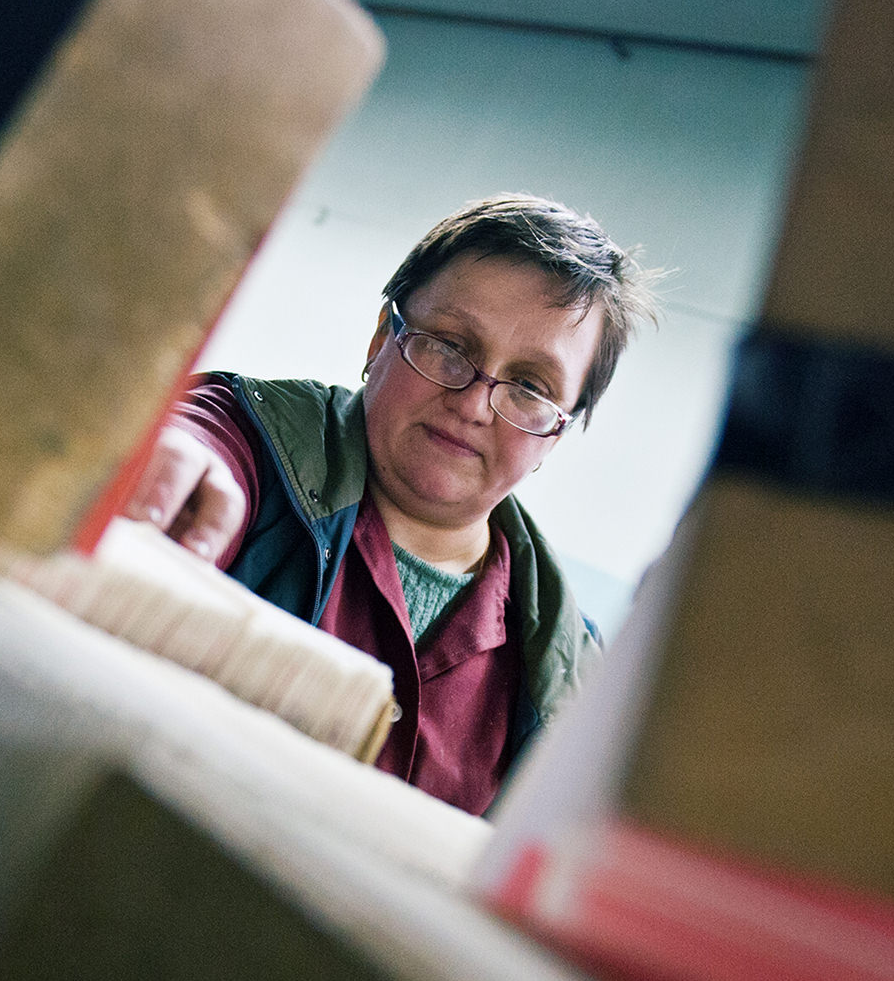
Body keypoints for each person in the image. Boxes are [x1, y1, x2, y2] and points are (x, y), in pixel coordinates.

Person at [122, 193, 658, 815]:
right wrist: (163, 453)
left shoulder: (566, 673)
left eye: (530, 387)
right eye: (450, 346)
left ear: (556, 434)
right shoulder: (252, 441)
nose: (475, 403)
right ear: (381, 340)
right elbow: (196, 438)